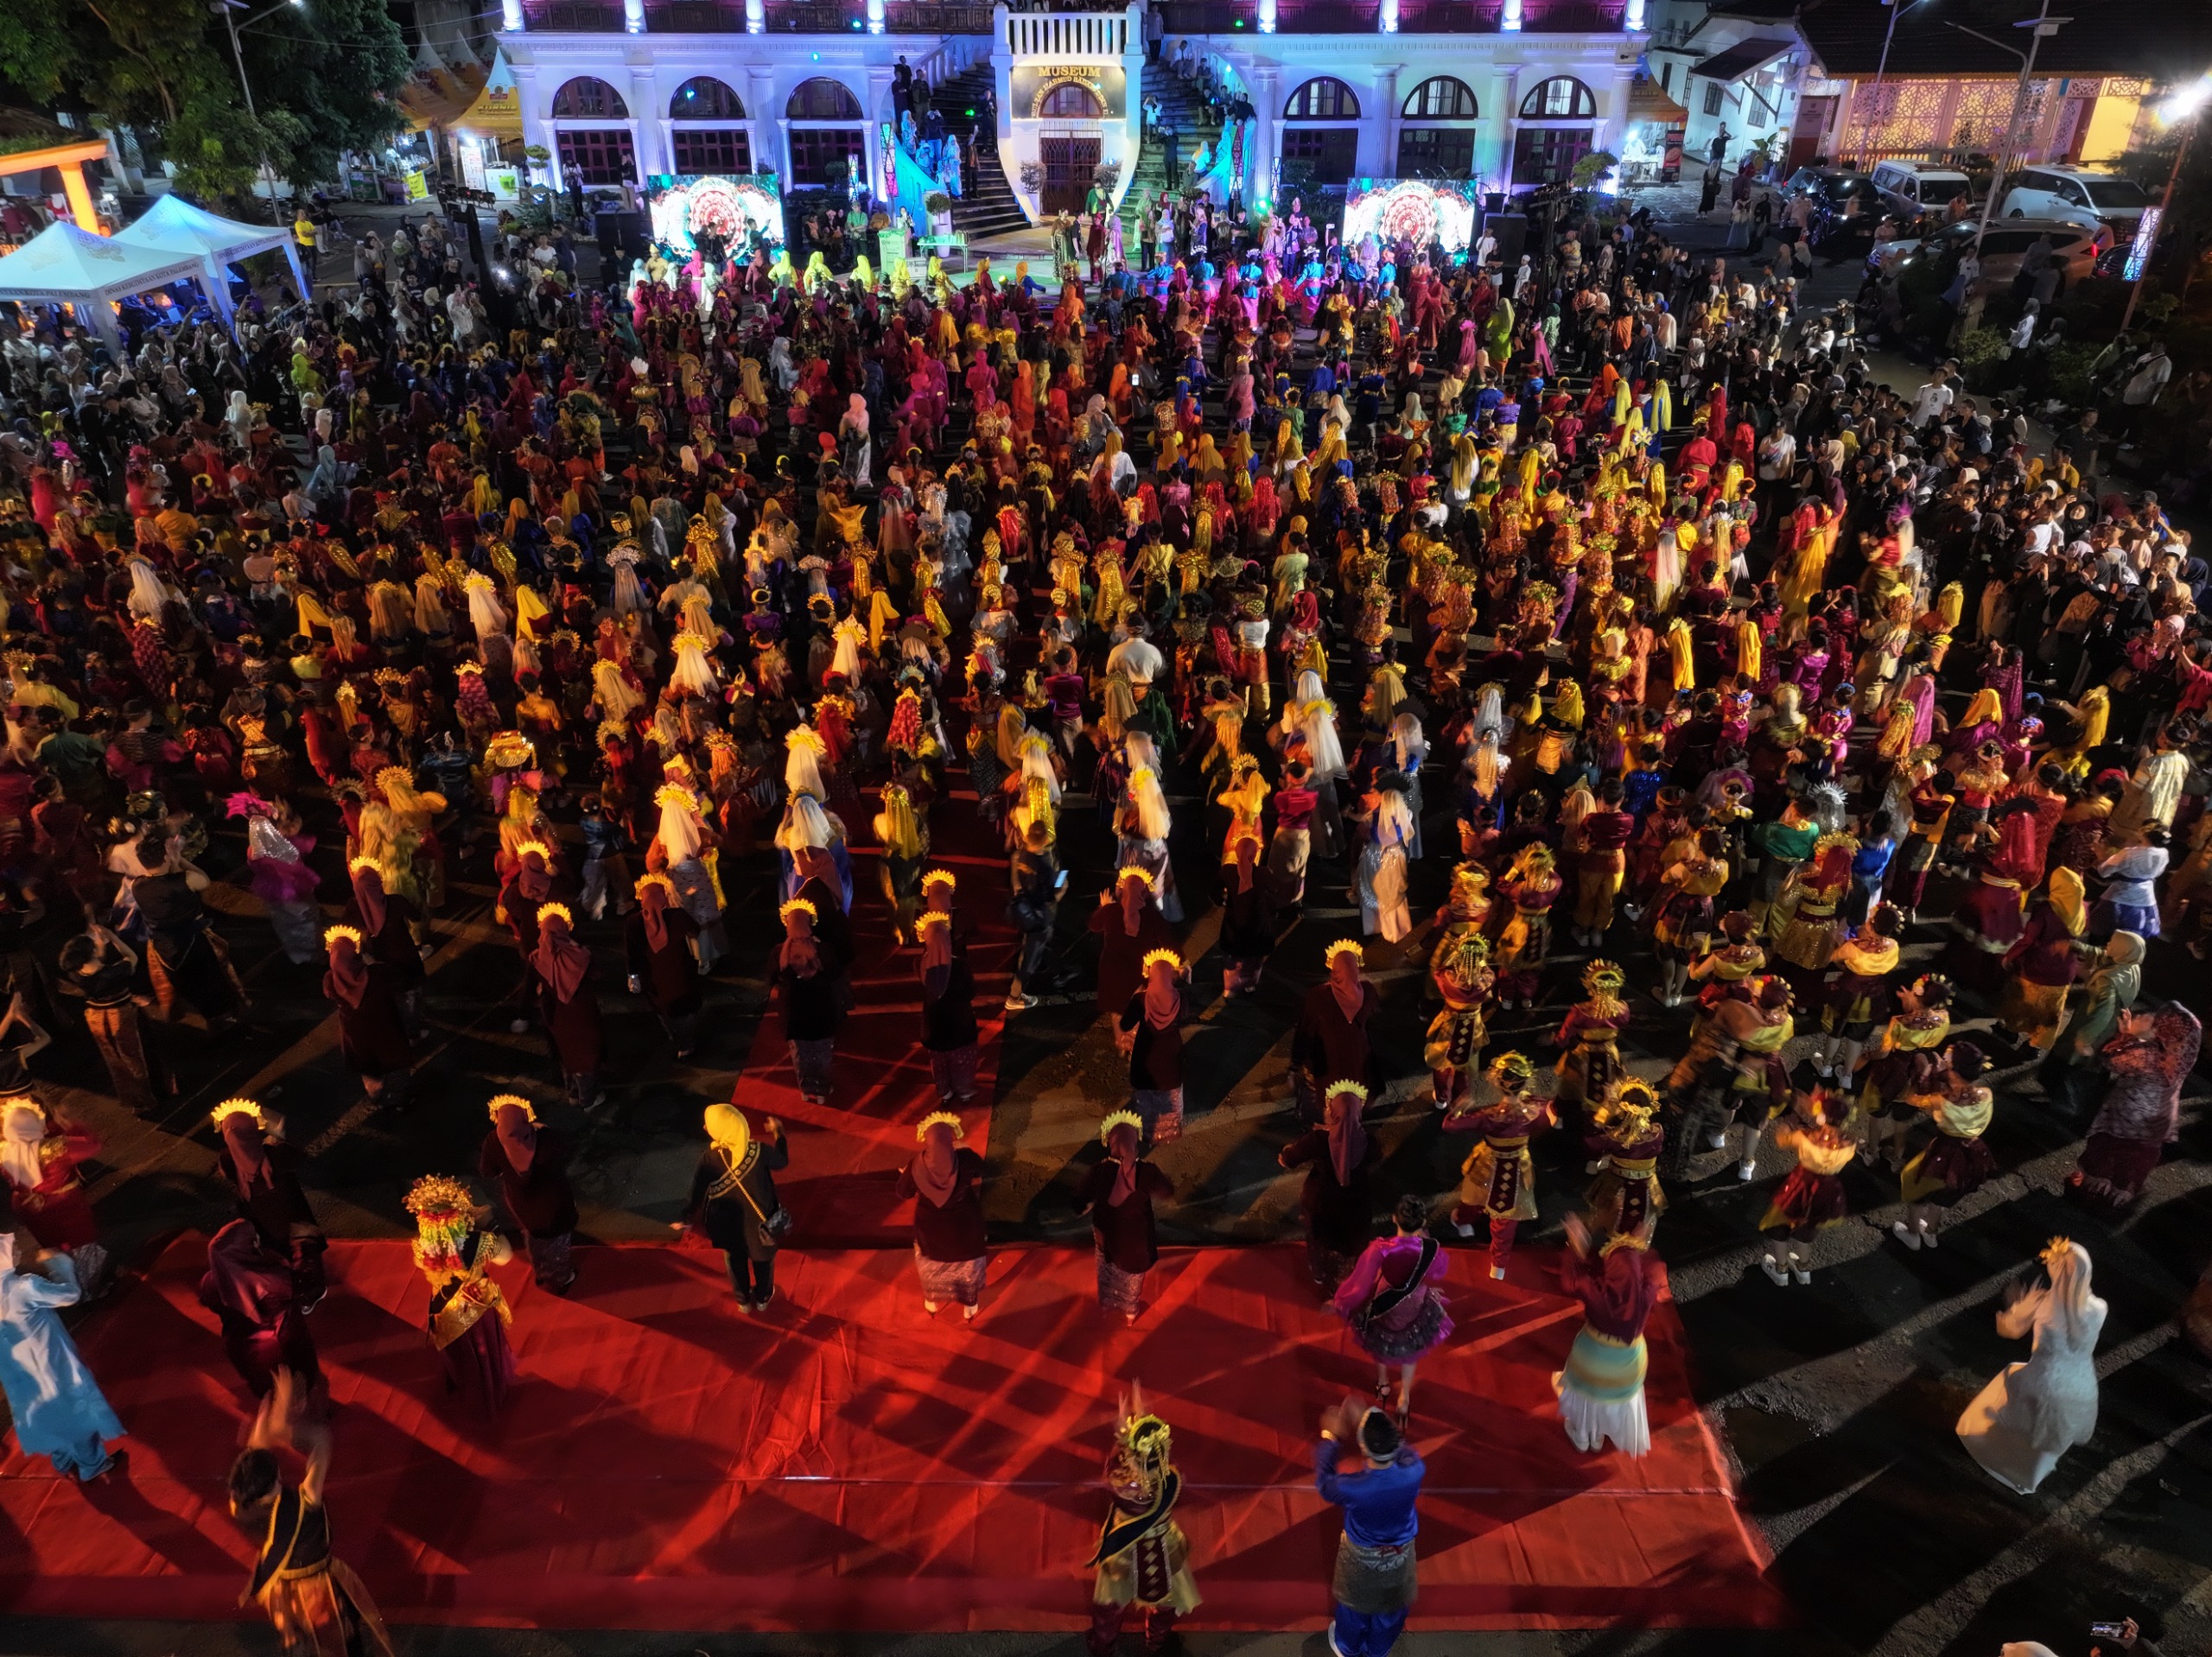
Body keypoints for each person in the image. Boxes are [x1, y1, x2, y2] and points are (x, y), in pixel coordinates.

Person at [228, 1368, 395, 1657]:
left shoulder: (239, 1506)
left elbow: (254, 1455)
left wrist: (270, 1420)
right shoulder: (305, 1502)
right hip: (319, 1592)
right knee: (340, 1639)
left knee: (303, 1635)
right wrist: (284, 1425)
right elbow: (321, 1442)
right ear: (278, 1475)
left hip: (283, 1589)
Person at [1957, 1237, 2106, 1495]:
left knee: (2009, 1403)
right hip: (2082, 1388)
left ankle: (1993, 1455)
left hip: (2043, 1383)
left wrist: (2015, 1304)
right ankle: (2030, 1476)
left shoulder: (2042, 1302)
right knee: (2051, 1435)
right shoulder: (2099, 1309)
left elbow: (2009, 1329)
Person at [1085, 1382, 1200, 1655]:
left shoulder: (1118, 1481)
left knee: (1111, 1604)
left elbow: (1112, 1466)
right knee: (1165, 1599)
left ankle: (1103, 1647)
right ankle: (1156, 1644)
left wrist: (1123, 1436)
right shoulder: (1172, 1477)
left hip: (1124, 1549)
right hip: (1163, 1545)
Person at [0, 1231, 123, 1480]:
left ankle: (63, 1459)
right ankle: (92, 1464)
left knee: (45, 1413)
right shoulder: (23, 1287)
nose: (18, 1250)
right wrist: (59, 1264)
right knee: (73, 1410)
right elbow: (69, 1295)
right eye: (12, 1249)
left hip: (19, 1373)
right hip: (50, 1361)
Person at [1314, 1392, 1425, 1657]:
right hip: (1400, 1557)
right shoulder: (1415, 1470)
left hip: (1361, 1559)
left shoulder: (1353, 1488)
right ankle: (1378, 1649)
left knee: (1354, 1605)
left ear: (1364, 1449)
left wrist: (1331, 1437)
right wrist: (1370, 1421)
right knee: (1392, 1608)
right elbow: (1404, 1450)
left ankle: (1347, 1647)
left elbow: (1325, 1484)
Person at [2070, 1002, 2201, 1216]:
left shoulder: (2149, 1053)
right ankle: (2113, 1202)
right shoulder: (2181, 1057)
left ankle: (2085, 1201)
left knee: (2106, 1153)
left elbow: (2111, 1060)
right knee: (2132, 1164)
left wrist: (2126, 1035)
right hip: (2158, 1120)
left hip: (2128, 1115)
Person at [1332, 1194, 1452, 1426]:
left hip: (1386, 1299)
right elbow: (1438, 1271)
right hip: (1415, 1300)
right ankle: (1404, 1397)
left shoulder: (1382, 1248)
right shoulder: (1430, 1248)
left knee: (1380, 1341)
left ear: (1394, 1219)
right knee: (1411, 1347)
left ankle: (1383, 1384)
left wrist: (1341, 1301)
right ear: (1422, 1223)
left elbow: (1362, 1281)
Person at [407, 1172, 517, 1417]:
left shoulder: (422, 1246)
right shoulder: (477, 1242)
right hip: (477, 1310)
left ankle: (469, 1390)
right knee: (484, 1354)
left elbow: (422, 1263)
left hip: (446, 1314)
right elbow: (506, 1256)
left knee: (464, 1359)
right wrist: (490, 1224)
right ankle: (491, 1393)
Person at [1554, 1203, 1660, 1457]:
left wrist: (1575, 1247)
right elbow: (1648, 1269)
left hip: (1593, 1357)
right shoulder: (1646, 1291)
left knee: (1586, 1396)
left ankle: (1582, 1435)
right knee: (1609, 1402)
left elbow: (1571, 1280)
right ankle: (1599, 1433)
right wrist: (1638, 1244)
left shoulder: (1596, 1291)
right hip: (1630, 1363)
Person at [1442, 1051, 1552, 1282]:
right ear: (1525, 1082)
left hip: (1487, 1164)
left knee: (1474, 1201)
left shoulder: (1488, 1116)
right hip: (1517, 1168)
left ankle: (1460, 1221)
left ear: (1498, 1083)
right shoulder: (1535, 1112)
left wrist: (1459, 1108)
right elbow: (1552, 1110)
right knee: (1507, 1217)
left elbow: (1449, 1126)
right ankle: (1498, 1264)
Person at [680, 1102, 788, 1312]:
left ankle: (743, 1301)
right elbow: (782, 1161)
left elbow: (697, 1192)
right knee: (763, 1261)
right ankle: (763, 1299)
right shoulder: (758, 1151)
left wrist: (687, 1216)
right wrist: (779, 1133)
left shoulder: (710, 1158)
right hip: (760, 1225)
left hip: (728, 1225)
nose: (705, 1127)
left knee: (735, 1261)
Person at [199, 1218, 321, 1401]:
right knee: (300, 1393)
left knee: (274, 1399)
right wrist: (305, 1247)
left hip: (248, 1357)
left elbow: (207, 1299)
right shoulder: (269, 1278)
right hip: (284, 1352)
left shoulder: (211, 1281)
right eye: (252, 1240)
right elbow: (308, 1284)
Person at [1280, 1079, 1379, 1296]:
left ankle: (1319, 1274)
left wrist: (1288, 1150)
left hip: (1321, 1205)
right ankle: (1345, 1286)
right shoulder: (1369, 1143)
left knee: (1319, 1241)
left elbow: (1287, 1160)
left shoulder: (1318, 1140)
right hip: (1356, 1209)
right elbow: (1375, 1157)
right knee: (1349, 1248)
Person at [1077, 1108, 1171, 1324]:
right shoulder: (1148, 1171)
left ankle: (1107, 1302)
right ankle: (1130, 1312)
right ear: (1133, 1143)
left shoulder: (1100, 1170)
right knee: (1132, 1278)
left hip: (1106, 1239)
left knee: (1106, 1270)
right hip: (1138, 1247)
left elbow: (1079, 1201)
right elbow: (1167, 1191)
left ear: (1112, 1143)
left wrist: (1087, 1205)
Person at [478, 1094, 579, 1292]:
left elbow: (488, 1171)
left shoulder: (494, 1140)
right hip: (553, 1206)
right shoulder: (544, 1139)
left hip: (521, 1204)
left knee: (532, 1239)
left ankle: (540, 1271)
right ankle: (561, 1279)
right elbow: (565, 1153)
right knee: (556, 1244)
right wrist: (542, 1129)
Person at [896, 1109, 988, 1317]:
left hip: (931, 1232)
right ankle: (970, 1307)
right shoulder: (965, 1159)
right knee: (967, 1268)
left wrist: (910, 1176)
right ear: (950, 1139)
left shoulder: (916, 1165)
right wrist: (965, 1150)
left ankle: (932, 1303)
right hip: (965, 1229)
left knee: (931, 1266)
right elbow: (983, 1171)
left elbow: (903, 1192)